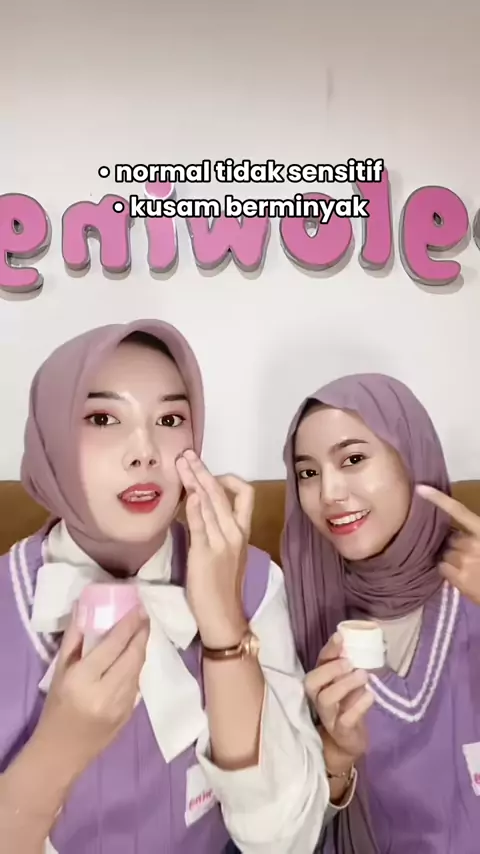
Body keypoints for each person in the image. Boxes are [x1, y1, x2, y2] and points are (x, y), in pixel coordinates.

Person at [0, 319, 330, 854]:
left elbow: (285, 838)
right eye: (103, 418)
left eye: (170, 419)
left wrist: (224, 625)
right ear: (50, 439)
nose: (145, 452)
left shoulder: (254, 582)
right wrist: (58, 748)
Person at [281, 372, 480, 854]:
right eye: (307, 473)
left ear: (411, 458)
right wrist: (334, 754)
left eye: (352, 459)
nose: (329, 493)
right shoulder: (294, 606)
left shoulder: (472, 585)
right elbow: (279, 830)